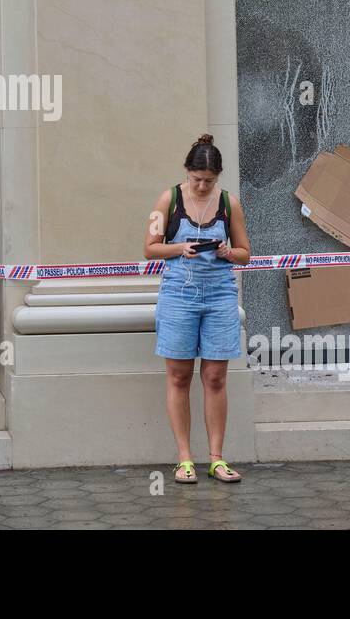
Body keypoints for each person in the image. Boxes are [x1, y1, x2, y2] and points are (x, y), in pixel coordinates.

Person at [144, 134, 252, 485]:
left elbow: (245, 253)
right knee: (178, 375)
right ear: (187, 172)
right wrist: (180, 248)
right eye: (196, 179)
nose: (203, 186)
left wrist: (227, 252)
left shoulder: (229, 204)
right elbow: (149, 248)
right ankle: (184, 458)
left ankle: (217, 459)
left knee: (215, 376)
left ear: (218, 176)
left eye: (209, 180)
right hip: (178, 294)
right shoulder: (169, 199)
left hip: (219, 294)